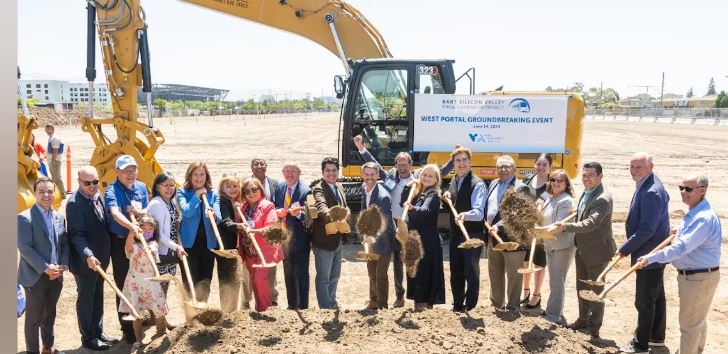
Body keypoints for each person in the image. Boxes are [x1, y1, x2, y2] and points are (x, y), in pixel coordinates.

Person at [353, 135, 453, 308]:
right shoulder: (390, 177)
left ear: (410, 164)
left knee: (404, 261)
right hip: (391, 227)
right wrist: (361, 148)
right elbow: (373, 163)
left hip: (407, 228)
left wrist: (453, 160)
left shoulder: (419, 179)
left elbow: (439, 172)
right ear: (396, 165)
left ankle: (409, 295)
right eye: (399, 163)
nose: (402, 166)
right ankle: (399, 296)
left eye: (405, 163)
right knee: (394, 265)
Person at [637, 174, 721, 354]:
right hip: (697, 277)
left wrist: (650, 258)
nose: (684, 192)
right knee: (698, 320)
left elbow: (681, 247)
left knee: (689, 326)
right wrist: (679, 229)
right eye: (681, 188)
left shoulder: (703, 217)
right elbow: (687, 237)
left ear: (703, 191)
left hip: (698, 278)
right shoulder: (695, 210)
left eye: (689, 189)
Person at [554, 162, 616, 338]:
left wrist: (565, 227)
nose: (586, 178)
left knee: (596, 290)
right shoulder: (588, 192)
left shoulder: (602, 198)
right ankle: (583, 319)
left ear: (600, 177)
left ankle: (594, 326)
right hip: (582, 248)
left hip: (597, 251)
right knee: (582, 285)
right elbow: (582, 214)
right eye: (584, 175)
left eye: (590, 175)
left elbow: (590, 223)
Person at [618, 152, 670, 353]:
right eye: (632, 166)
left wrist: (625, 248)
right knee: (656, 296)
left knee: (644, 300)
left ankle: (641, 344)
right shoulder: (648, 183)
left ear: (651, 167)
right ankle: (657, 338)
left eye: (638, 167)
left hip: (649, 255)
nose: (634, 170)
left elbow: (647, 230)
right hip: (652, 253)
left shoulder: (651, 191)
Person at [66, 166, 116, 351]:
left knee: (98, 295)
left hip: (101, 258)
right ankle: (88, 338)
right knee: (86, 298)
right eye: (87, 183)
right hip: (85, 261)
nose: (92, 186)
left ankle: (98, 331)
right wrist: (89, 255)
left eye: (95, 181)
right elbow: (77, 235)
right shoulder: (74, 204)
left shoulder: (98, 195)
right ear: (79, 182)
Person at [18, 177, 69, 354]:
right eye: (42, 192)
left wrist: (62, 266)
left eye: (49, 191)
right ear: (35, 193)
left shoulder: (59, 216)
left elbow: (64, 244)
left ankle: (47, 348)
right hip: (35, 276)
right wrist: (46, 268)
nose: (46, 195)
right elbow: (25, 248)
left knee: (50, 314)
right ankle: (33, 351)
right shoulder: (24, 218)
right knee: (34, 318)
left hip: (56, 276)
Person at [104, 154, 149, 344]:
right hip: (120, 241)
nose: (130, 174)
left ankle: (142, 319)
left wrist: (138, 213)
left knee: (142, 279)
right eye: (126, 171)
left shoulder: (141, 187)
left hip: (141, 241)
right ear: (117, 172)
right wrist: (131, 226)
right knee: (123, 283)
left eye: (133, 170)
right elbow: (114, 214)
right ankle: (127, 329)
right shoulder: (111, 190)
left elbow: (147, 210)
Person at [442, 146, 486, 312]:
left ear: (470, 162)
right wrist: (447, 195)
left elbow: (479, 213)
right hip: (456, 234)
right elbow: (455, 196)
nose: (461, 164)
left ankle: (470, 305)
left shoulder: (478, 184)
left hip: (472, 235)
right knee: (456, 272)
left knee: (471, 272)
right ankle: (458, 304)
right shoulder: (454, 180)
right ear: (454, 163)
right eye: (458, 161)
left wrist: (465, 215)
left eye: (464, 160)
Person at [119, 216, 169, 352]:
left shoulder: (154, 243)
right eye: (143, 228)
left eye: (150, 229)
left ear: (154, 231)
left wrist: (148, 247)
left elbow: (152, 250)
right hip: (135, 281)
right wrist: (132, 231)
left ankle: (160, 333)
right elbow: (128, 248)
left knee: (159, 308)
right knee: (136, 311)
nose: (146, 231)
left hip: (151, 280)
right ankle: (138, 340)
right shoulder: (133, 243)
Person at [485, 155, 526, 312]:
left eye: (507, 166)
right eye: (500, 166)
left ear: (514, 169)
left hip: (512, 238)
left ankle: (513, 306)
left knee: (514, 275)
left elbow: (517, 213)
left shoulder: (521, 187)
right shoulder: (494, 183)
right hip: (492, 237)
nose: (504, 169)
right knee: (495, 272)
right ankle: (497, 304)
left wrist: (498, 225)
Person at [404, 164, 446, 311]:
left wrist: (412, 208)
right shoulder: (419, 193)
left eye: (430, 176)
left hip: (428, 241)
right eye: (424, 175)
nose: (426, 178)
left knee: (424, 271)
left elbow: (426, 211)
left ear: (436, 180)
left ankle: (424, 303)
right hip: (416, 239)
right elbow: (403, 202)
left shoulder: (433, 195)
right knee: (415, 270)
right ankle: (418, 301)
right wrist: (409, 188)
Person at [310, 157, 350, 309]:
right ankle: (325, 308)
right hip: (323, 241)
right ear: (322, 172)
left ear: (338, 172)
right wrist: (331, 215)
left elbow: (344, 207)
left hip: (337, 239)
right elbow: (322, 207)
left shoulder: (339, 186)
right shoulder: (319, 189)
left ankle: (332, 302)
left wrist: (347, 213)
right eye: (328, 170)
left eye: (334, 170)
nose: (331, 173)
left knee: (335, 276)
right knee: (323, 278)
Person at [177, 161, 220, 303]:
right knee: (190, 280)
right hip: (189, 244)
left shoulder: (213, 194)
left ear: (206, 176)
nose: (199, 178)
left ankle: (202, 311)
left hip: (208, 244)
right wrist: (196, 196)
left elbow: (219, 217)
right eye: (195, 174)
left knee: (205, 280)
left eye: (202, 174)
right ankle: (190, 314)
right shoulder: (182, 192)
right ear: (189, 176)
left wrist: (214, 214)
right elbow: (187, 212)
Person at [538, 169, 576, 325]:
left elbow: (560, 225)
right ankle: (553, 311)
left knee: (557, 281)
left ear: (566, 184)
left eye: (560, 181)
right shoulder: (550, 198)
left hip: (562, 246)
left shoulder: (566, 200)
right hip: (550, 243)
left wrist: (540, 231)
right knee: (553, 280)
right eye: (553, 180)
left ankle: (553, 316)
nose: (555, 183)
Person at [240, 177, 283, 312]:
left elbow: (271, 226)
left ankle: (265, 309)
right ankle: (259, 309)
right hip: (249, 251)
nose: (251, 193)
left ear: (261, 190)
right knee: (254, 281)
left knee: (260, 279)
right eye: (247, 191)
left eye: (254, 189)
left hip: (265, 250)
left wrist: (254, 231)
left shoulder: (267, 205)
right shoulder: (243, 207)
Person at [274, 162, 312, 310]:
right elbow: (275, 205)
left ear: (299, 173)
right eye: (287, 171)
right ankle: (292, 304)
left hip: (301, 237)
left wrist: (300, 214)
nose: (289, 174)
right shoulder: (280, 187)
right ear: (283, 172)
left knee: (301, 272)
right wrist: (277, 211)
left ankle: (303, 305)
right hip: (284, 237)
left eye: (293, 171)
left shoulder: (307, 191)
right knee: (288, 271)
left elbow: (310, 216)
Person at [147, 172, 188, 306]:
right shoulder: (157, 204)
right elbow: (159, 234)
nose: (169, 188)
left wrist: (177, 246)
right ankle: (160, 323)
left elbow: (174, 228)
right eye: (166, 185)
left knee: (165, 286)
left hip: (170, 251)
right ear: (158, 187)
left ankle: (161, 318)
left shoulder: (170, 202)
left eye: (172, 185)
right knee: (159, 288)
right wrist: (177, 247)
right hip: (161, 252)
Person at [359, 162, 396, 310]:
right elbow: (364, 212)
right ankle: (373, 301)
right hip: (370, 239)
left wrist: (373, 237)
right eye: (366, 174)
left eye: (372, 175)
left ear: (378, 175)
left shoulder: (383, 197)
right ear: (362, 175)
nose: (369, 177)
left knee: (380, 275)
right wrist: (364, 232)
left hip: (384, 240)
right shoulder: (365, 190)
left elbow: (385, 222)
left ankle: (382, 305)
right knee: (371, 272)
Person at [518, 153, 552, 309]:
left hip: (541, 229)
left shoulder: (553, 184)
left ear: (550, 167)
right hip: (526, 228)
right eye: (539, 164)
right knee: (525, 261)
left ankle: (536, 295)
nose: (541, 167)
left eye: (545, 165)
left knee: (539, 262)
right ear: (534, 165)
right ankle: (525, 291)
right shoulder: (527, 181)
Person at [214, 174, 247, 313]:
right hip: (226, 247)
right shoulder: (223, 201)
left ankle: (233, 310)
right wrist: (242, 225)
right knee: (228, 279)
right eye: (228, 186)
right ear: (222, 188)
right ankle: (228, 311)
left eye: (235, 186)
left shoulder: (236, 201)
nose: (232, 189)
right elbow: (226, 223)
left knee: (235, 278)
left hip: (234, 246)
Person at [250, 157, 280, 305]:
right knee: (252, 273)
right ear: (251, 167)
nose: (259, 166)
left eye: (262, 163)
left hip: (269, 234)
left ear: (266, 166)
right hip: (251, 235)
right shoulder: (245, 184)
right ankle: (250, 304)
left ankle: (271, 302)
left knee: (270, 272)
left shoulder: (276, 184)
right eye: (256, 164)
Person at [45, 124, 65, 194]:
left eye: (47, 129)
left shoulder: (54, 138)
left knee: (57, 178)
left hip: (55, 160)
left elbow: (55, 150)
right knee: (54, 178)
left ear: (51, 129)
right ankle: (58, 193)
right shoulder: (51, 137)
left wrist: (53, 160)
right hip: (52, 160)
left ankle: (62, 193)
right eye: (46, 129)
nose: (46, 131)